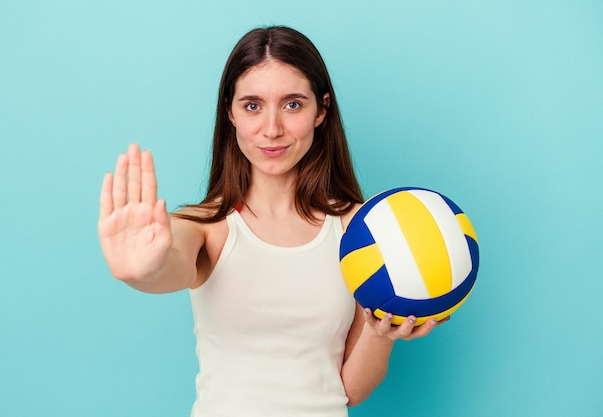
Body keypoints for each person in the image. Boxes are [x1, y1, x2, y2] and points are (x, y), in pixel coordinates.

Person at [98, 26, 445, 417]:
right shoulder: (205, 225)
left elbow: (348, 390)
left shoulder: (358, 229)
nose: (272, 128)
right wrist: (141, 270)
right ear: (230, 112)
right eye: (252, 106)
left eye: (293, 104)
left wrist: (382, 336)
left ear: (322, 110)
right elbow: (169, 264)